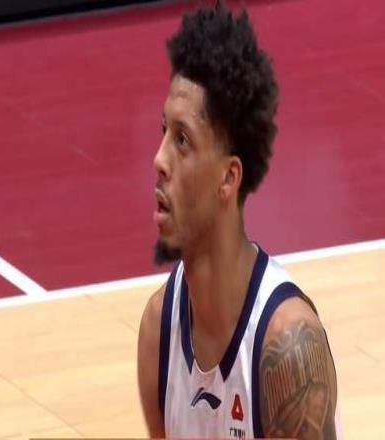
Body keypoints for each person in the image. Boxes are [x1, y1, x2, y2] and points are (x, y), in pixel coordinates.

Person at [137, 2, 341, 438]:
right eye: (163, 132)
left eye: (183, 141)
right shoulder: (159, 329)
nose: (158, 160)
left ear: (228, 178)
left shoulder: (288, 348)